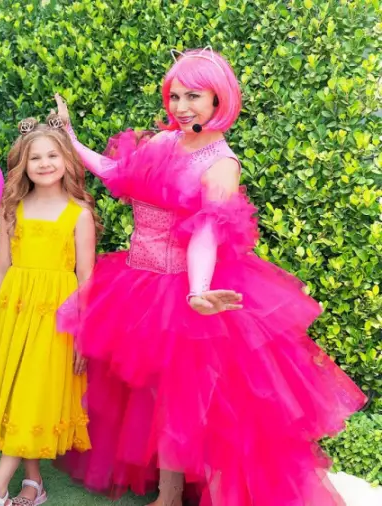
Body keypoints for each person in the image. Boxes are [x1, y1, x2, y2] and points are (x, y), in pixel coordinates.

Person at [52, 48, 367, 506]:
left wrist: (198, 291)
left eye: (193, 96)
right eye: (175, 96)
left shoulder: (221, 164)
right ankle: (169, 492)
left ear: (219, 98)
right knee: (153, 394)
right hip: (138, 284)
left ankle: (175, 496)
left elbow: (205, 233)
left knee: (191, 404)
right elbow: (115, 171)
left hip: (185, 291)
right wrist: (69, 136)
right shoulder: (163, 142)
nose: (181, 107)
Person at [0, 114, 98, 506]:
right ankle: (33, 483)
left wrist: (84, 334)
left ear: (67, 161)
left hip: (57, 319)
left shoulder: (79, 213)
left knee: (33, 392)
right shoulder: (12, 209)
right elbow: (1, 269)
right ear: (23, 164)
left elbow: (87, 278)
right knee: (18, 391)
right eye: (35, 157)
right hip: (15, 312)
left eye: (52, 155)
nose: (44, 164)